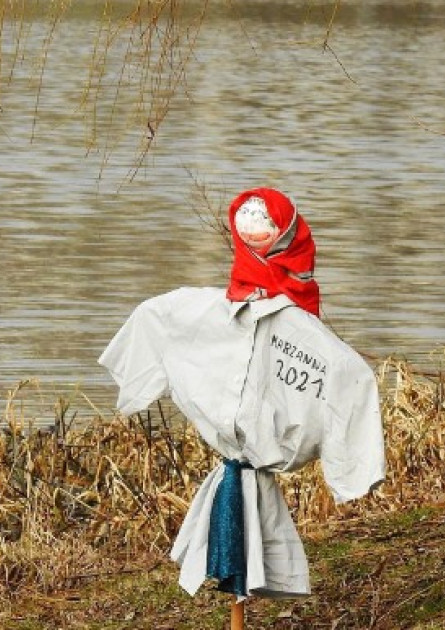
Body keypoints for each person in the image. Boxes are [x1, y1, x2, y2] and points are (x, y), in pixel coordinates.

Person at [99, 187, 384, 600]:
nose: (252, 224)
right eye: (247, 216)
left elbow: (348, 377)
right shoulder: (219, 311)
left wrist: (349, 473)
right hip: (238, 445)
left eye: (262, 219)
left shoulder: (299, 329)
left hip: (266, 441)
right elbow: (157, 319)